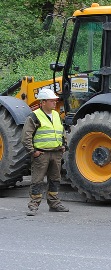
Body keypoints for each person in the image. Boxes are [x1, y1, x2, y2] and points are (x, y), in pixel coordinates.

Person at [23, 87, 68, 215]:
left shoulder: (56, 115)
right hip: (41, 154)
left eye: (55, 100)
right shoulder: (34, 116)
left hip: (56, 152)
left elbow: (61, 131)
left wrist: (64, 144)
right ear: (43, 102)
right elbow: (26, 136)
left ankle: (54, 204)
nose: (55, 103)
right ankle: (33, 205)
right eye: (51, 101)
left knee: (55, 179)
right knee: (37, 180)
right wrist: (33, 152)